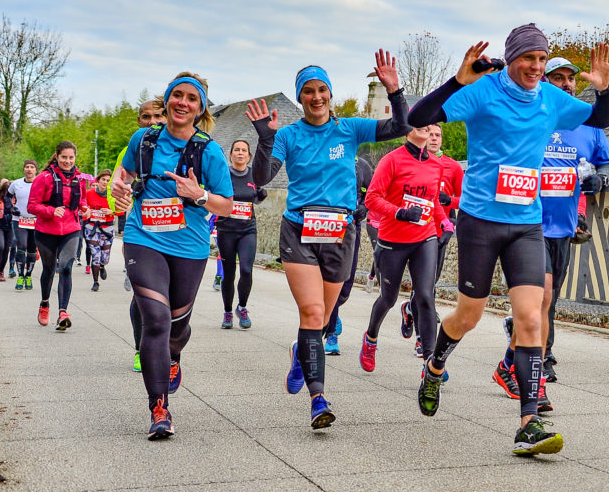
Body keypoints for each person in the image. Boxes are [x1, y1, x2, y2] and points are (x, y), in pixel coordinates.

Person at [407, 25, 609, 456]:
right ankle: (434, 366)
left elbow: (600, 119)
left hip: (526, 222)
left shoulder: (550, 98)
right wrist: (458, 80)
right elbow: (417, 117)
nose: (537, 68)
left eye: (543, 60)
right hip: (480, 221)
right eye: (529, 59)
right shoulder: (484, 92)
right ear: (512, 58)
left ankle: (529, 422)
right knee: (468, 316)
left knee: (531, 318)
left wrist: (602, 89)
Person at [246, 51, 409, 430]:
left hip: (339, 232)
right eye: (308, 91)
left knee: (322, 320)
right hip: (299, 231)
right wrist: (265, 140)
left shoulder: (349, 129)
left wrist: (394, 89)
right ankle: (319, 400)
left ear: (330, 94)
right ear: (300, 97)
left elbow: (401, 127)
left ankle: (300, 352)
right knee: (313, 313)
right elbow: (262, 177)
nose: (316, 97)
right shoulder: (288, 135)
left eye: (322, 90)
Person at [111, 73, 233, 441]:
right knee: (156, 320)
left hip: (189, 247)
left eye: (191, 99)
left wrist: (198, 195)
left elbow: (226, 206)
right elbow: (125, 172)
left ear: (201, 109)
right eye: (176, 96)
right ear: (167, 102)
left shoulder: (208, 151)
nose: (182, 103)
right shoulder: (143, 139)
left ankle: (173, 356)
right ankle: (159, 408)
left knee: (176, 328)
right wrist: (117, 185)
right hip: (143, 238)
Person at [494, 57, 609, 397]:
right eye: (557, 78)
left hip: (563, 227)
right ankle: (539, 364)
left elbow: (608, 161)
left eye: (570, 79)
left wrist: (602, 178)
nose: (566, 84)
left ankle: (511, 363)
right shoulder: (531, 116)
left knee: (549, 302)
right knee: (542, 298)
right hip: (527, 224)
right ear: (544, 82)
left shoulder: (587, 123)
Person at [360, 124, 446, 373]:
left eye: (430, 125)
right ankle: (371, 338)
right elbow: (372, 198)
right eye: (420, 123)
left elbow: (431, 201)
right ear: (407, 130)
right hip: (392, 240)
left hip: (424, 237)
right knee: (388, 298)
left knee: (426, 297)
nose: (427, 128)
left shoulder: (435, 165)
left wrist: (444, 222)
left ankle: (431, 364)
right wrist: (400, 212)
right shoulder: (391, 161)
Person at [108, 98, 167, 372]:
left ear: (167, 117)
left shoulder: (188, 146)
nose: (153, 122)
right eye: (146, 117)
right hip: (142, 232)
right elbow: (116, 185)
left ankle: (167, 351)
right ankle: (140, 349)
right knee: (142, 298)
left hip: (176, 235)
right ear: (139, 121)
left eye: (158, 116)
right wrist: (118, 201)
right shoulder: (131, 148)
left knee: (171, 301)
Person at [401, 122, 462, 357]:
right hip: (412, 232)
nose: (434, 138)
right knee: (424, 289)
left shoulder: (453, 167)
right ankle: (421, 339)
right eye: (431, 134)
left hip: (438, 234)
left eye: (438, 135)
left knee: (428, 287)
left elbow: (462, 200)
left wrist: (449, 203)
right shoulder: (413, 162)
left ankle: (410, 309)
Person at [28, 141, 86, 331]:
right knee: (49, 269)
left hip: (71, 229)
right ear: (57, 156)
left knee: (66, 268)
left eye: (71, 158)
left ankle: (63, 312)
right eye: (64, 157)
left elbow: (82, 201)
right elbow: (32, 206)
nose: (67, 161)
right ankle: (45, 303)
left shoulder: (80, 179)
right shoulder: (44, 178)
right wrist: (51, 211)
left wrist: (85, 209)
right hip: (46, 231)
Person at [322, 155, 374, 355]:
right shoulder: (325, 159)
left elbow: (371, 193)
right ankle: (331, 333)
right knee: (330, 278)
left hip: (352, 226)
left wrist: (364, 208)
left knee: (346, 285)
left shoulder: (363, 166)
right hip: (326, 225)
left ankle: (332, 313)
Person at [216, 139, 266, 329]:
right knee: (229, 273)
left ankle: (242, 307)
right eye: (236, 150)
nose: (240, 153)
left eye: (244, 150)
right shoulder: (224, 174)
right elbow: (215, 195)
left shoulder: (255, 174)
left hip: (247, 229)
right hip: (226, 229)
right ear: (231, 154)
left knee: (246, 269)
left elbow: (258, 199)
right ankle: (227, 312)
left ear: (249, 155)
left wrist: (261, 193)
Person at [82, 170, 116, 291]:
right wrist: (86, 211)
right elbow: (82, 206)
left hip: (107, 228)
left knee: (104, 258)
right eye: (103, 180)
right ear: (98, 180)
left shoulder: (112, 195)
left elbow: (121, 210)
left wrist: (112, 211)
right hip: (92, 227)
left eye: (108, 181)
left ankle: (102, 266)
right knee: (95, 256)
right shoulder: (89, 193)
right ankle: (95, 282)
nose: (105, 183)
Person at [9, 160, 40, 290]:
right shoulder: (16, 184)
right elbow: (6, 197)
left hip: (35, 220)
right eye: (27, 167)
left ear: (36, 170)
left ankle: (28, 275)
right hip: (19, 219)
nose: (29, 169)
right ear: (23, 169)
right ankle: (20, 275)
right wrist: (11, 207)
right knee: (21, 246)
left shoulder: (40, 183)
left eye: (32, 167)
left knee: (32, 249)